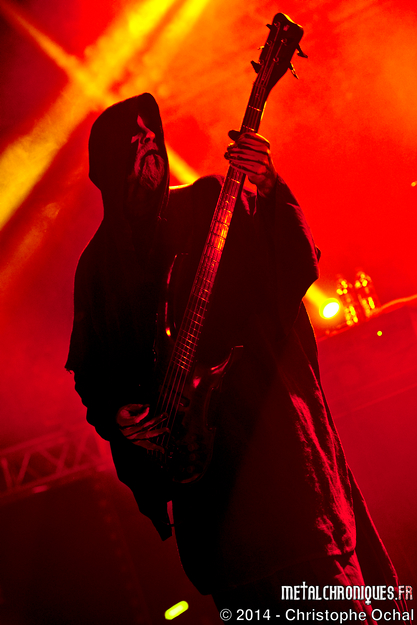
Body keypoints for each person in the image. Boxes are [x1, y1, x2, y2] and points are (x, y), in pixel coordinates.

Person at [66, 93, 407, 623]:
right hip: (213, 507)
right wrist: (118, 415)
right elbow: (92, 372)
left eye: (153, 134)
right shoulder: (98, 269)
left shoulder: (207, 204)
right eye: (134, 141)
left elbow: (289, 266)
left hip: (281, 463)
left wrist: (269, 188)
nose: (149, 144)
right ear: (108, 167)